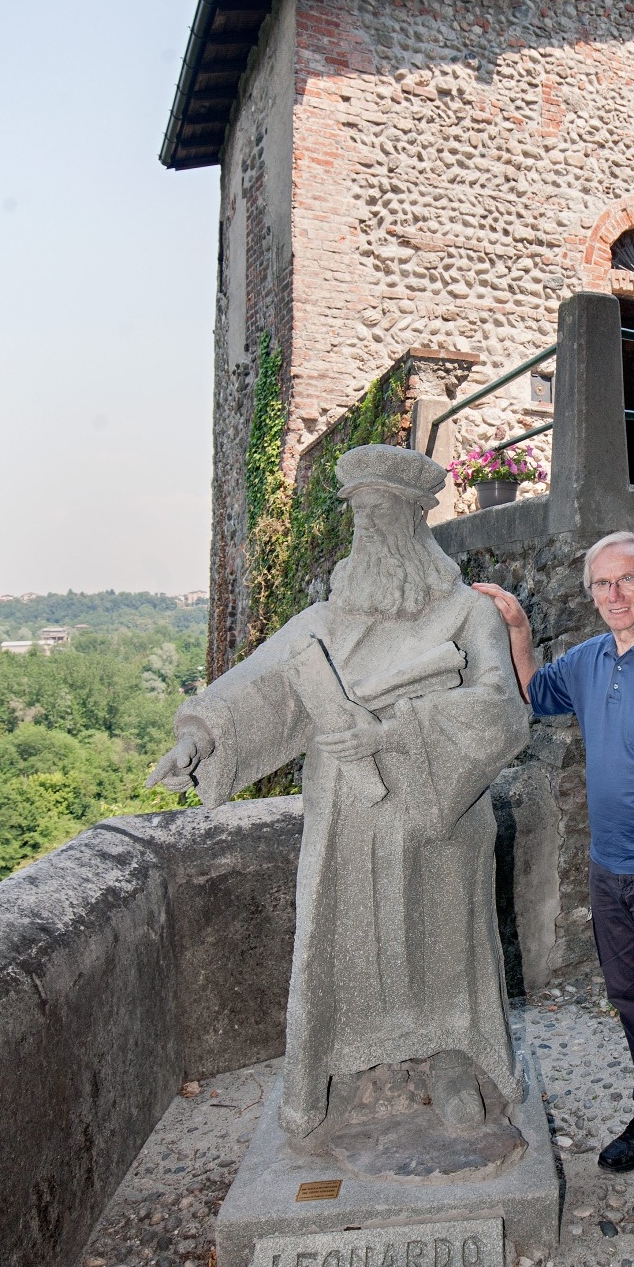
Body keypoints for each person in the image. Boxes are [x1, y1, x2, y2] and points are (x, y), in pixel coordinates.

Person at [149, 445, 530, 1144]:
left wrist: (392, 732)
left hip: (437, 817)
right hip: (347, 818)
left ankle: (452, 1060)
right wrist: (199, 738)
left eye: (382, 515)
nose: (368, 533)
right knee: (347, 943)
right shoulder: (330, 619)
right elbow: (266, 687)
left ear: (418, 520)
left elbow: (502, 711)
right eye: (359, 518)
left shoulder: (466, 616)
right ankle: (352, 1056)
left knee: (441, 939)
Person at [475, 531, 634, 1225]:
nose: (612, 596)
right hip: (610, 869)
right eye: (600, 585)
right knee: (632, 1002)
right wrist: (519, 630)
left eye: (625, 581)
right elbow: (533, 691)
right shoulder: (591, 661)